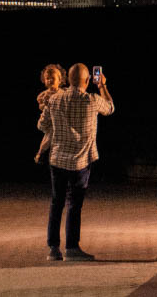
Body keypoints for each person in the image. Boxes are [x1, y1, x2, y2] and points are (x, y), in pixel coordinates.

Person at [38, 63, 114, 262]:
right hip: (81, 161)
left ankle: (53, 249)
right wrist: (102, 86)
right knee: (74, 205)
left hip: (57, 159)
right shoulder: (92, 100)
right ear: (88, 81)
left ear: (68, 80)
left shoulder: (54, 100)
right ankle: (72, 248)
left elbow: (42, 125)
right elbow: (110, 108)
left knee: (56, 203)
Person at [34, 64, 67, 164]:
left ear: (60, 80)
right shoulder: (44, 95)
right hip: (49, 120)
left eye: (52, 78)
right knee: (49, 134)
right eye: (47, 78)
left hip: (60, 119)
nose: (49, 80)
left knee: (55, 136)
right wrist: (45, 104)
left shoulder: (63, 92)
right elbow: (40, 107)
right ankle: (40, 153)